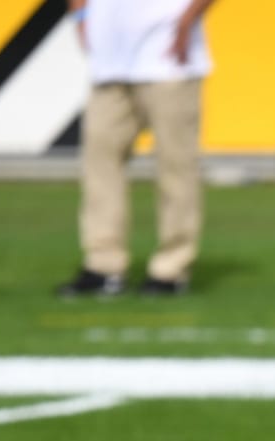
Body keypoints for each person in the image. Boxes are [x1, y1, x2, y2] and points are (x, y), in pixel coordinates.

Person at [57, 0, 216, 299]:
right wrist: (79, 16)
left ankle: (171, 269)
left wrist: (186, 21)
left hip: (170, 60)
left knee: (176, 167)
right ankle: (104, 266)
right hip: (110, 63)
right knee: (99, 165)